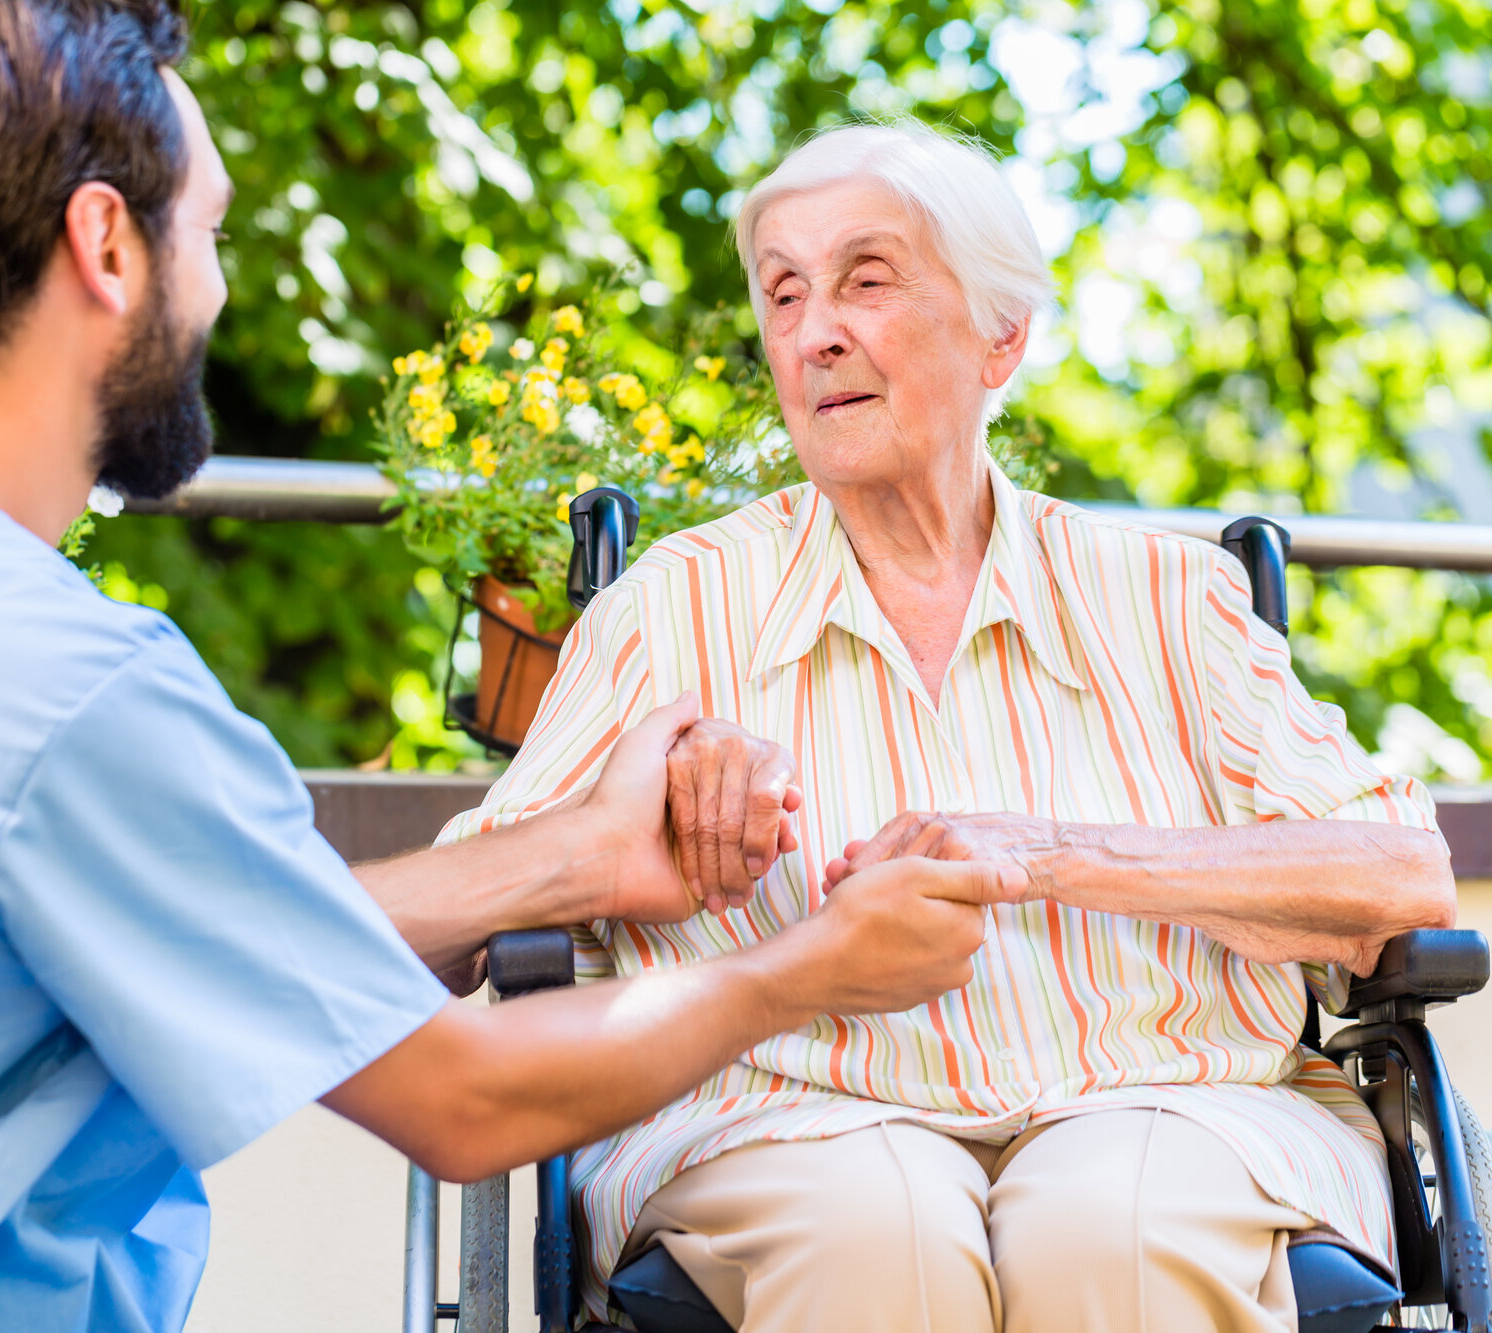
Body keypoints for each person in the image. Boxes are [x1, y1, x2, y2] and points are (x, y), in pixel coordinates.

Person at [0, 8, 1032, 1333]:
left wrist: (559, 857)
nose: (216, 290)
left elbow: (196, 929)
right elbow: (464, 1099)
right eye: (209, 233)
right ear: (109, 244)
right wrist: (804, 973)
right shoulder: (59, 684)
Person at [438, 119, 1458, 1333]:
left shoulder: (1163, 597)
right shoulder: (674, 607)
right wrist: (631, 816)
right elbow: (458, 924)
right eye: (782, 292)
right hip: (784, 1119)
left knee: (1105, 1224)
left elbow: (1399, 875)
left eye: (865, 281)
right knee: (878, 1231)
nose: (814, 329)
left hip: (1176, 1104)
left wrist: (1044, 854)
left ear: (1001, 335)